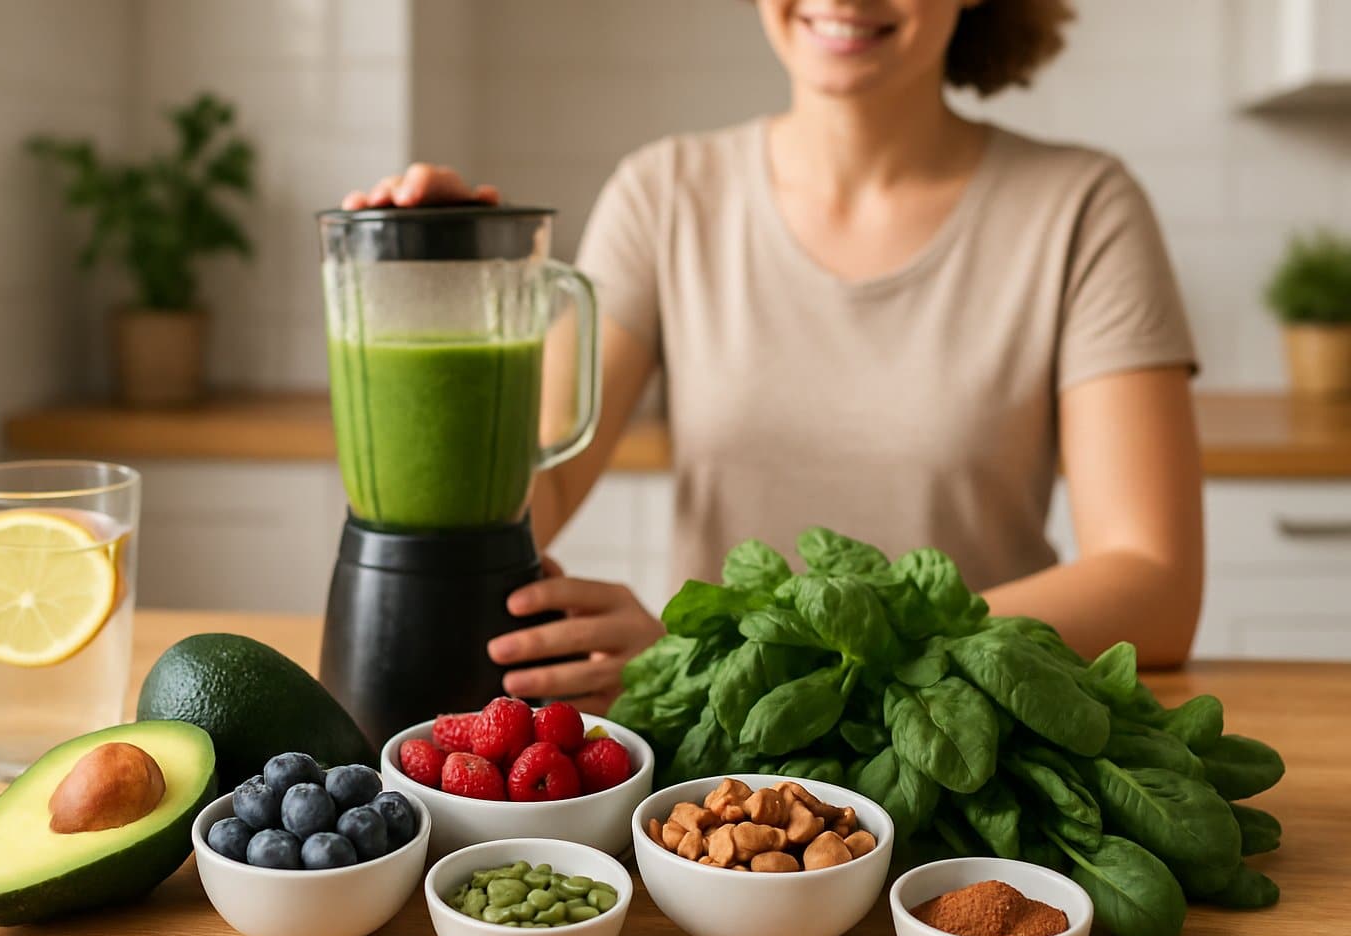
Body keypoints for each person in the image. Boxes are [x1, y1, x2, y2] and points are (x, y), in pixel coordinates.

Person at [341, 0, 1203, 713]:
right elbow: (533, 491)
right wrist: (448, 279)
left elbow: (1155, 586)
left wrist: (784, 653)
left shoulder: (1084, 208)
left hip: (971, 740)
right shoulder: (666, 195)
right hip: (719, 762)